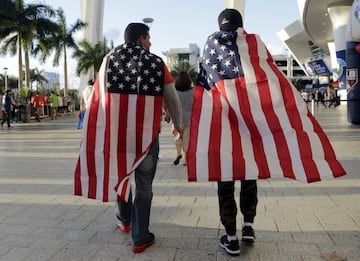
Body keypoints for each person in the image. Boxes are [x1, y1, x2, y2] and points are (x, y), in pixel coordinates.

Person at [74, 23, 182, 253]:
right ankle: (140, 236)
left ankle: (124, 221)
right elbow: (172, 98)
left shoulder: (108, 60)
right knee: (144, 185)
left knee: (119, 173)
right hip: (146, 138)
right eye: (149, 37)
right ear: (142, 38)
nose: (150, 42)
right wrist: (178, 124)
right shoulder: (157, 62)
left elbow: (95, 98)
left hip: (116, 137)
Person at [172, 72, 194, 166]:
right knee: (187, 139)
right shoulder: (193, 91)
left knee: (178, 137)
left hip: (177, 118)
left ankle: (178, 154)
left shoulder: (174, 92)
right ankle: (186, 160)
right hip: (189, 119)